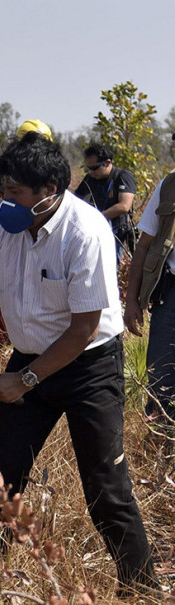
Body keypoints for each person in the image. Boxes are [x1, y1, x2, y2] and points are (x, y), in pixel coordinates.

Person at [0, 134, 156, 592]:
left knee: (106, 488)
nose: (6, 200)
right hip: (29, 359)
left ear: (49, 191)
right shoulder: (7, 220)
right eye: (4, 190)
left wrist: (25, 380)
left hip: (88, 366)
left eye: (15, 192)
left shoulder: (86, 232)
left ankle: (140, 586)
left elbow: (83, 328)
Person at [0, 119, 54, 347]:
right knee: (7, 324)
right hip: (8, 266)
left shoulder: (53, 189)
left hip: (42, 270)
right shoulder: (3, 186)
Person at [124, 170, 175, 441]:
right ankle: (158, 446)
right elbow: (144, 245)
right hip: (170, 295)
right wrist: (132, 300)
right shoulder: (169, 185)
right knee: (161, 377)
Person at [74, 142, 136, 260]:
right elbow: (76, 199)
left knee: (110, 264)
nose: (91, 172)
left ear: (107, 163)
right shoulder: (90, 178)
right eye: (89, 168)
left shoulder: (122, 176)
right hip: (92, 232)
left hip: (115, 233)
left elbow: (124, 206)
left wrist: (98, 218)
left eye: (95, 168)